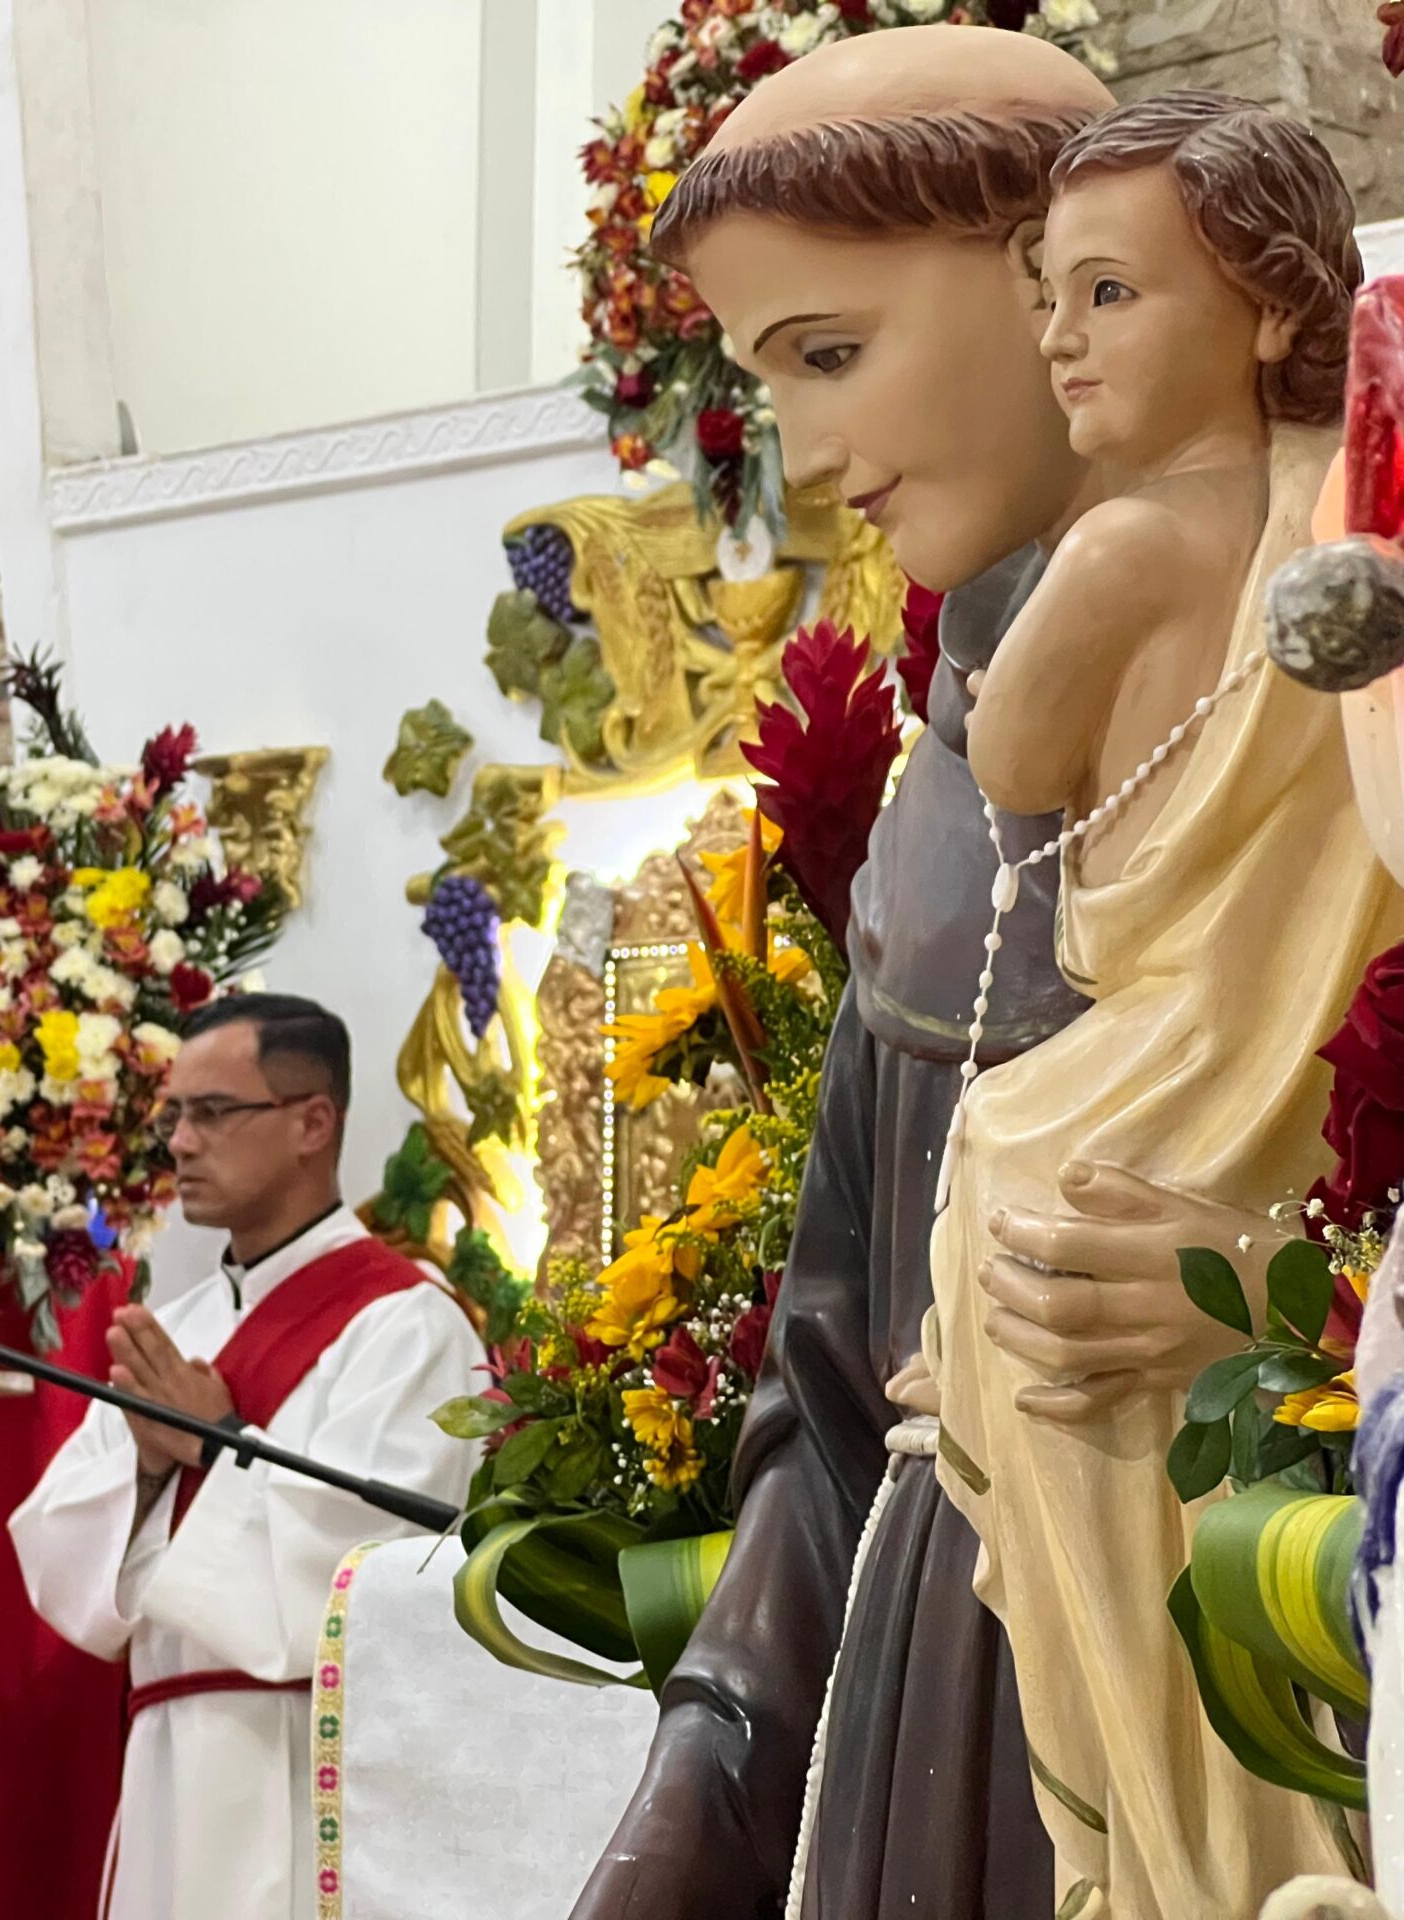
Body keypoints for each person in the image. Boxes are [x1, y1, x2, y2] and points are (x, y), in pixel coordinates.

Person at [572, 28, 1119, 1917]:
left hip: (1190, 1657)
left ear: (1065, 279)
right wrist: (700, 1781)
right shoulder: (932, 797)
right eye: (763, 380)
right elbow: (826, 1396)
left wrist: (1250, 1302)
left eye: (830, 354)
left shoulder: (1316, 719)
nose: (804, 456)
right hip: (932, 1676)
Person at [929, 94, 1389, 1914]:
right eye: (1051, 295)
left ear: (1271, 310)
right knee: (1252, 1670)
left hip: (1110, 1149)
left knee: (1137, 1695)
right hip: (1258, 1137)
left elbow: (1013, 754)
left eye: (1110, 293)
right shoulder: (1347, 534)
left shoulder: (1124, 550)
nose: (1062, 338)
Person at [8, 994, 482, 1920]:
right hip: (165, 1764)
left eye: (214, 1112)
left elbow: (381, 1567)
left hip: (306, 1760)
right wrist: (153, 1466)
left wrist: (213, 1444)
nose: (182, 1143)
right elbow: (58, 1553)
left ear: (313, 1123)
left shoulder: (406, 1323)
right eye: (174, 1116)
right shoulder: (173, 1330)